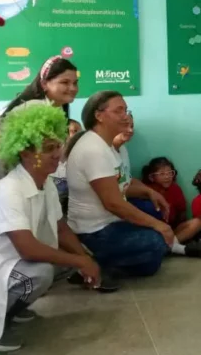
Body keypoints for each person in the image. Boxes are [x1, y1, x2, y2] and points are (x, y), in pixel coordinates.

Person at [0, 105, 100, 352]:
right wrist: (81, 262)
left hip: (6, 263)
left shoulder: (44, 183)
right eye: (48, 149)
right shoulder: (9, 191)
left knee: (68, 261)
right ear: (25, 153)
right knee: (40, 273)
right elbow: (28, 249)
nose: (57, 154)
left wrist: (83, 257)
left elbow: (60, 228)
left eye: (58, 146)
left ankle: (9, 310)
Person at [65, 91, 176, 281]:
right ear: (99, 116)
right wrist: (160, 227)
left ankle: (109, 265)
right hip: (94, 231)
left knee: (155, 212)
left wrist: (150, 192)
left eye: (126, 110)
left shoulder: (112, 146)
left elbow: (123, 182)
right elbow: (113, 203)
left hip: (111, 220)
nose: (125, 116)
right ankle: (91, 261)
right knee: (155, 243)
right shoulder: (93, 149)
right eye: (119, 111)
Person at [0, 56, 79, 221]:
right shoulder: (35, 109)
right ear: (44, 84)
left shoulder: (53, 111)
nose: (72, 88)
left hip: (2, 173)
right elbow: (30, 159)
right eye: (65, 82)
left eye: (75, 83)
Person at [137, 155, 201, 258]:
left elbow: (182, 212)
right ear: (151, 177)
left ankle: (169, 247)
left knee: (197, 223)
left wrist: (184, 232)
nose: (167, 176)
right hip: (153, 231)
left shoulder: (175, 188)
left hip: (171, 231)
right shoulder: (145, 190)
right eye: (162, 174)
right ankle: (174, 248)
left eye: (170, 173)